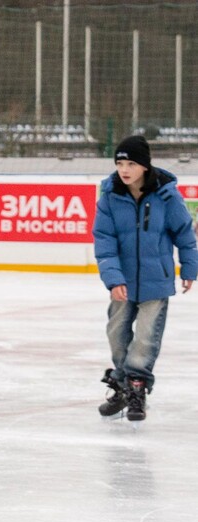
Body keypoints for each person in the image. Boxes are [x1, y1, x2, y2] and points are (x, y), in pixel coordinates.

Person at [93, 135, 197, 422]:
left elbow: (185, 234)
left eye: (130, 163)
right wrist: (114, 279)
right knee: (116, 335)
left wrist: (189, 269)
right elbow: (104, 241)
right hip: (122, 281)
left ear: (145, 166)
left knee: (146, 339)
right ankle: (123, 384)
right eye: (119, 163)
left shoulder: (166, 195)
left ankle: (136, 388)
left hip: (157, 280)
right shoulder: (110, 196)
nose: (124, 169)